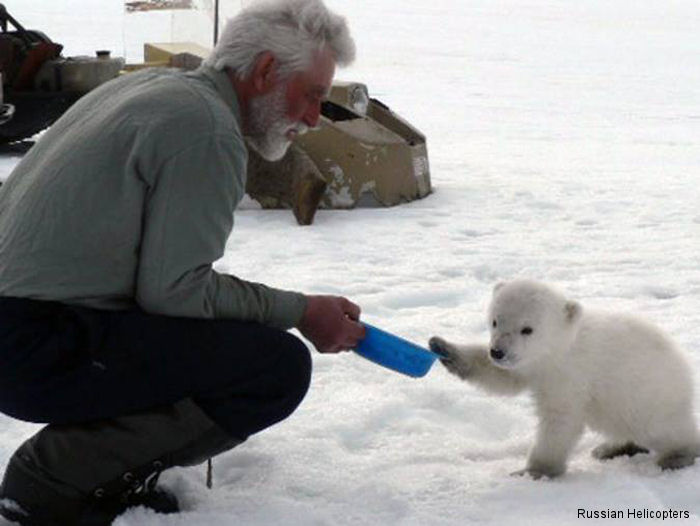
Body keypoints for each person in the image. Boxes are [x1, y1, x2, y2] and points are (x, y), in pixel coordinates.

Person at [0, 0, 364, 523]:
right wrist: (302, 311)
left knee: (207, 340)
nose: (312, 119)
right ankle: (55, 478)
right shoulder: (208, 131)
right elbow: (176, 292)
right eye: (312, 96)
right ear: (264, 72)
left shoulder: (147, 89)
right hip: (33, 347)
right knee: (272, 367)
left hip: (25, 330)